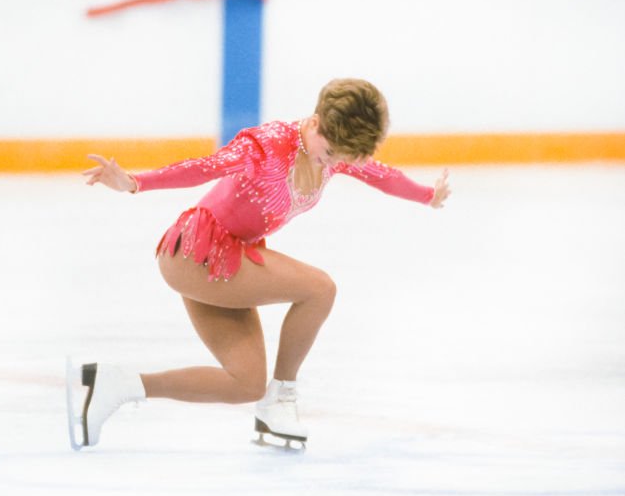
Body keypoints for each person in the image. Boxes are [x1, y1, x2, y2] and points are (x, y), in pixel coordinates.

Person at [71, 77, 451, 450]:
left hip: (227, 258)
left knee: (245, 382)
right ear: (316, 122)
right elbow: (206, 167)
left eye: (343, 157)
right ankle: (282, 398)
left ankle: (114, 385)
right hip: (197, 252)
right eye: (331, 151)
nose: (333, 162)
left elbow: (380, 175)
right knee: (320, 289)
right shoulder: (268, 145)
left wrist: (428, 196)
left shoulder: (333, 150)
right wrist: (135, 182)